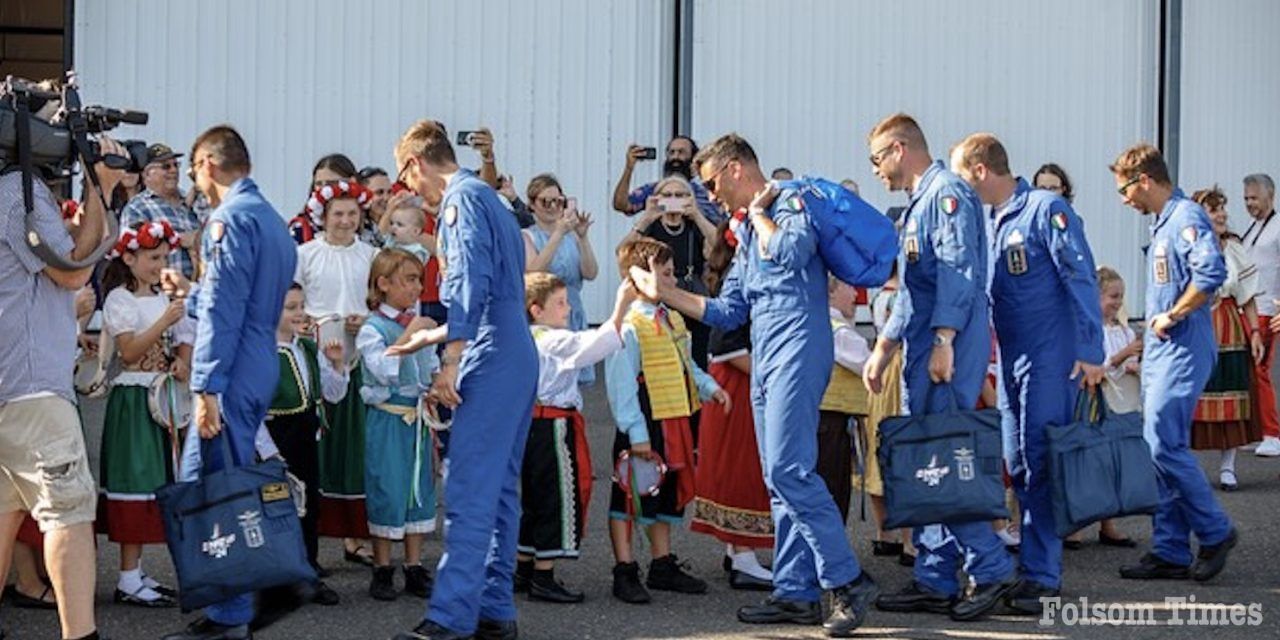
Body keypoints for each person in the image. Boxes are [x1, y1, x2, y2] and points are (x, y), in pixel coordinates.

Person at [628, 134, 878, 637]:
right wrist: (668, 292)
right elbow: (727, 310)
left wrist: (760, 214)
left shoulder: (790, 205)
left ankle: (848, 580)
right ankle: (795, 591)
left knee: (789, 470)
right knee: (779, 479)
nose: (711, 196)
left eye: (715, 183)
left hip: (798, 352)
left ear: (738, 168)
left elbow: (790, 251)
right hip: (768, 356)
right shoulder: (744, 233)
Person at [861, 116, 1017, 621]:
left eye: (877, 158)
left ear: (899, 149)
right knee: (927, 465)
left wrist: (945, 340)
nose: (876, 170)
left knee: (945, 463)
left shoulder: (947, 194)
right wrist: (884, 347)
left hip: (944, 349)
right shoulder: (920, 202)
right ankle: (934, 575)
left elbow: (957, 272)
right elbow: (913, 289)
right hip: (924, 347)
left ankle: (991, 569)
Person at [390, 119, 536, 640]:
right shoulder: (488, 197)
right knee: (497, 490)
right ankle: (494, 608)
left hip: (490, 353)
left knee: (472, 487)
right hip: (510, 347)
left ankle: (450, 617)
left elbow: (471, 283)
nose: (411, 192)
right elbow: (496, 287)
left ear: (416, 163)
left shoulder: (461, 201)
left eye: (406, 178)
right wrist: (429, 340)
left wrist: (450, 359)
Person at [949, 133, 1105, 613]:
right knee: (1015, 464)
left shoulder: (1044, 210)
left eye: (961, 176)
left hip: (1050, 357)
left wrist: (1091, 348)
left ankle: (1043, 574)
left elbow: (1081, 275)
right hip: (1012, 357)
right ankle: (1032, 568)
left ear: (979, 170)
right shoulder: (990, 218)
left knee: (1041, 460)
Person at [160, 125, 298, 640]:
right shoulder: (270, 219)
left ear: (210, 164)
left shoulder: (229, 220)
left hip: (232, 366)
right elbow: (235, 299)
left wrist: (205, 388)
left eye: (194, 168)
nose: (195, 180)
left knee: (217, 488)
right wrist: (193, 291)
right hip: (256, 357)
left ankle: (237, 611)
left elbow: (223, 310)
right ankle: (231, 603)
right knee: (209, 479)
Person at [0, 133, 126, 640]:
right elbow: (73, 270)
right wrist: (102, 184)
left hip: (10, 386)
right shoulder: (17, 190)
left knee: (5, 511)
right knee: (68, 513)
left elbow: (62, 251)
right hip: (30, 386)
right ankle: (81, 635)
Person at [1109, 143, 1237, 583]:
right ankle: (1170, 549)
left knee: (1165, 445)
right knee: (1157, 446)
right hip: (1165, 348)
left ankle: (1216, 531)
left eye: (1125, 189)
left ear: (1144, 180)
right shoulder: (1167, 222)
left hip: (1183, 346)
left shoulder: (1185, 218)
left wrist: (1173, 314)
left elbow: (1211, 273)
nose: (1124, 199)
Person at [605, 238, 727, 606]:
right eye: (666, 274)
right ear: (638, 278)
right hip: (645, 419)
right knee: (630, 495)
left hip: (675, 416)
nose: (673, 281)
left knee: (667, 492)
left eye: (673, 273)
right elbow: (621, 383)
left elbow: (686, 363)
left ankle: (661, 563)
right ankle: (624, 569)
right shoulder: (628, 325)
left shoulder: (671, 316)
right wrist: (636, 432)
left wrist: (709, 386)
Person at [513, 274, 632, 603]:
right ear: (536, 309)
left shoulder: (526, 335)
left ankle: (524, 568)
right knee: (557, 496)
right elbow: (595, 345)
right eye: (560, 303)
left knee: (534, 499)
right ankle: (543, 575)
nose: (567, 309)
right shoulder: (550, 340)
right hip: (551, 425)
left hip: (532, 425)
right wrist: (622, 304)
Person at [98, 221, 192, 609]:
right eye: (153, 258)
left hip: (165, 399)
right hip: (135, 400)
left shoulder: (166, 297)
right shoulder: (120, 299)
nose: (160, 264)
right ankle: (127, 577)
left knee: (160, 481)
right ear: (130, 257)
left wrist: (182, 362)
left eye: (163, 257)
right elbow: (130, 353)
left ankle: (136, 575)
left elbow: (186, 338)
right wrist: (164, 321)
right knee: (133, 484)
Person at [293, 180, 379, 564]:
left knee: (355, 447)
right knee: (316, 447)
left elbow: (382, 299)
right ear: (322, 216)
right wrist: (315, 322)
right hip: (317, 356)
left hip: (359, 357)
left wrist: (369, 319)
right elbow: (293, 302)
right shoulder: (305, 254)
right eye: (337, 214)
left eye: (351, 214)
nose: (345, 221)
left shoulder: (372, 255)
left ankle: (355, 536)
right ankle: (309, 539)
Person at [688, 221, 774, 591]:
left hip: (734, 383)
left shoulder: (732, 278)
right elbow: (727, 345)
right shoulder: (739, 282)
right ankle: (742, 554)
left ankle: (736, 550)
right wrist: (771, 377)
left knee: (742, 465)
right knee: (744, 467)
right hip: (737, 385)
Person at [358, 250, 440, 602]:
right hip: (389, 418)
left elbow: (429, 365)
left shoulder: (415, 320)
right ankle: (382, 566)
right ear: (383, 284)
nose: (416, 287)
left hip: (416, 417)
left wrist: (436, 387)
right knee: (387, 486)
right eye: (408, 279)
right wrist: (411, 334)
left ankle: (414, 564)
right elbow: (382, 367)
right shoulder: (372, 328)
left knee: (417, 489)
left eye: (418, 280)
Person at [1190, 187, 1265, 491]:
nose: (1221, 214)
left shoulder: (1233, 247)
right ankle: (1187, 469)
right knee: (1192, 395)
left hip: (1229, 326)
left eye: (1222, 208)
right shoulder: (1189, 245)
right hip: (1199, 324)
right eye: (1213, 209)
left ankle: (1228, 467)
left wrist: (1256, 332)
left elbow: (1246, 296)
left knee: (1234, 391)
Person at [620, 175, 718, 368]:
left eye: (680, 195)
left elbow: (718, 249)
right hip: (659, 298)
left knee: (697, 360)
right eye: (668, 195)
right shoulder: (651, 226)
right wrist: (646, 217)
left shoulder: (694, 226)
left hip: (692, 297)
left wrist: (697, 215)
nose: (674, 199)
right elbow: (622, 254)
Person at [860, 266, 915, 566]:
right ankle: (910, 540)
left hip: (878, 368)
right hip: (899, 366)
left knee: (877, 448)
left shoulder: (878, 294)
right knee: (903, 451)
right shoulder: (903, 295)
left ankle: (886, 533)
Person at [521, 174, 599, 382]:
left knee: (575, 384)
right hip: (543, 317)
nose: (553, 206)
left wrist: (583, 238)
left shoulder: (572, 236)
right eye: (546, 201)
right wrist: (557, 234)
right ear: (532, 205)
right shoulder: (527, 236)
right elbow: (534, 273)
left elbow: (590, 273)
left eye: (558, 201)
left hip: (572, 312)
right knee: (547, 381)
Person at [819, 277, 871, 524]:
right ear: (831, 292)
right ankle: (831, 557)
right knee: (834, 489)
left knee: (832, 487)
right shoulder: (837, 330)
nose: (855, 295)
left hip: (826, 418)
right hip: (830, 419)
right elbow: (868, 365)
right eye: (849, 287)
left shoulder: (822, 323)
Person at [1240, 174, 1280, 457]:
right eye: (1246, 199)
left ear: (1270, 196)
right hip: (1250, 309)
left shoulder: (1277, 228)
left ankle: (1272, 433)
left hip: (1268, 308)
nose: (1249, 203)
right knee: (1247, 373)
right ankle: (1256, 429)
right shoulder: (1253, 228)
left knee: (1259, 371)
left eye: (1254, 197)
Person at [120, 143, 203, 279]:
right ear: (147, 175)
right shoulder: (137, 208)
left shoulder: (193, 202)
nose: (173, 170)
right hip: (162, 293)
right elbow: (136, 258)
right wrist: (179, 239)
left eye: (176, 165)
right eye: (166, 166)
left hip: (199, 288)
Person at [612, 137, 725, 224]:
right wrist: (629, 168)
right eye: (671, 152)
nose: (675, 157)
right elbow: (621, 204)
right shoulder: (654, 190)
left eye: (681, 152)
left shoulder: (706, 194)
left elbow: (720, 224)